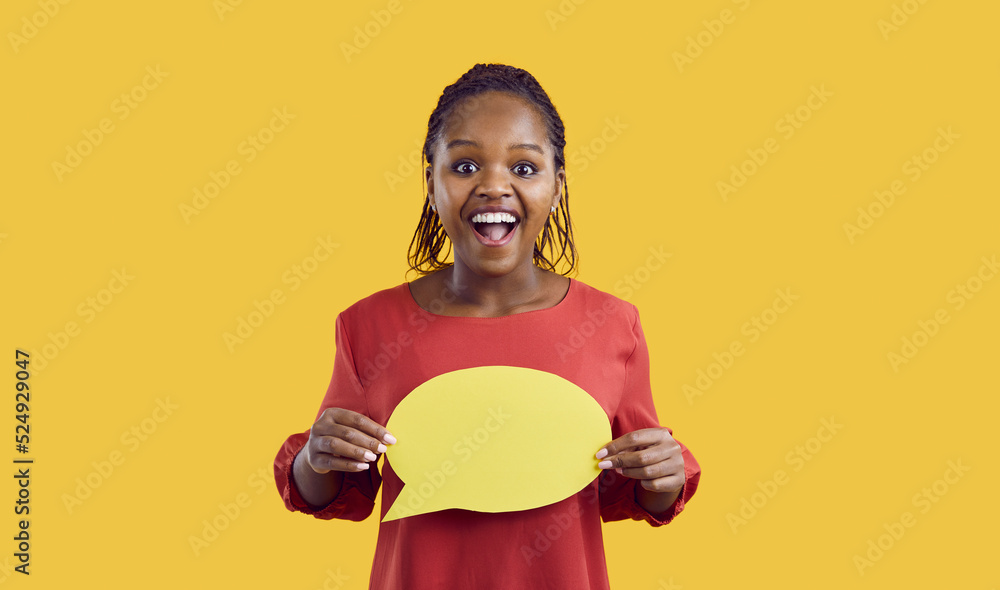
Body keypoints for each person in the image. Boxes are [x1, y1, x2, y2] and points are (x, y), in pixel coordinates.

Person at [273, 63, 701, 589]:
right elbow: (335, 490)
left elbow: (634, 491)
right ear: (431, 180)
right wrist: (314, 458)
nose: (494, 186)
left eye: (523, 169)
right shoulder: (369, 326)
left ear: (556, 185)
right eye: (466, 165)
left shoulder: (613, 325)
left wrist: (664, 473)